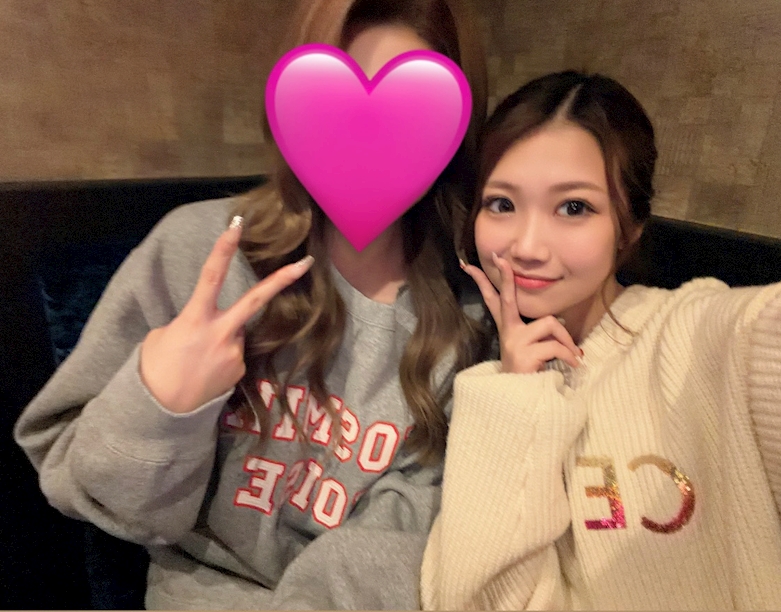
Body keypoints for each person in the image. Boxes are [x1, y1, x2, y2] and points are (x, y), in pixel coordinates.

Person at [14, 0, 490, 609]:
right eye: (338, 106)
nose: (368, 139)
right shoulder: (199, 251)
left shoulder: (472, 313)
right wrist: (161, 404)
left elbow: (426, 542)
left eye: (411, 114)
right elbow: (85, 483)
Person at [420, 70, 781, 610]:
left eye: (574, 207)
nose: (526, 246)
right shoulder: (486, 374)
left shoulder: (699, 337)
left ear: (631, 227)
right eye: (502, 204)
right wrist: (515, 389)